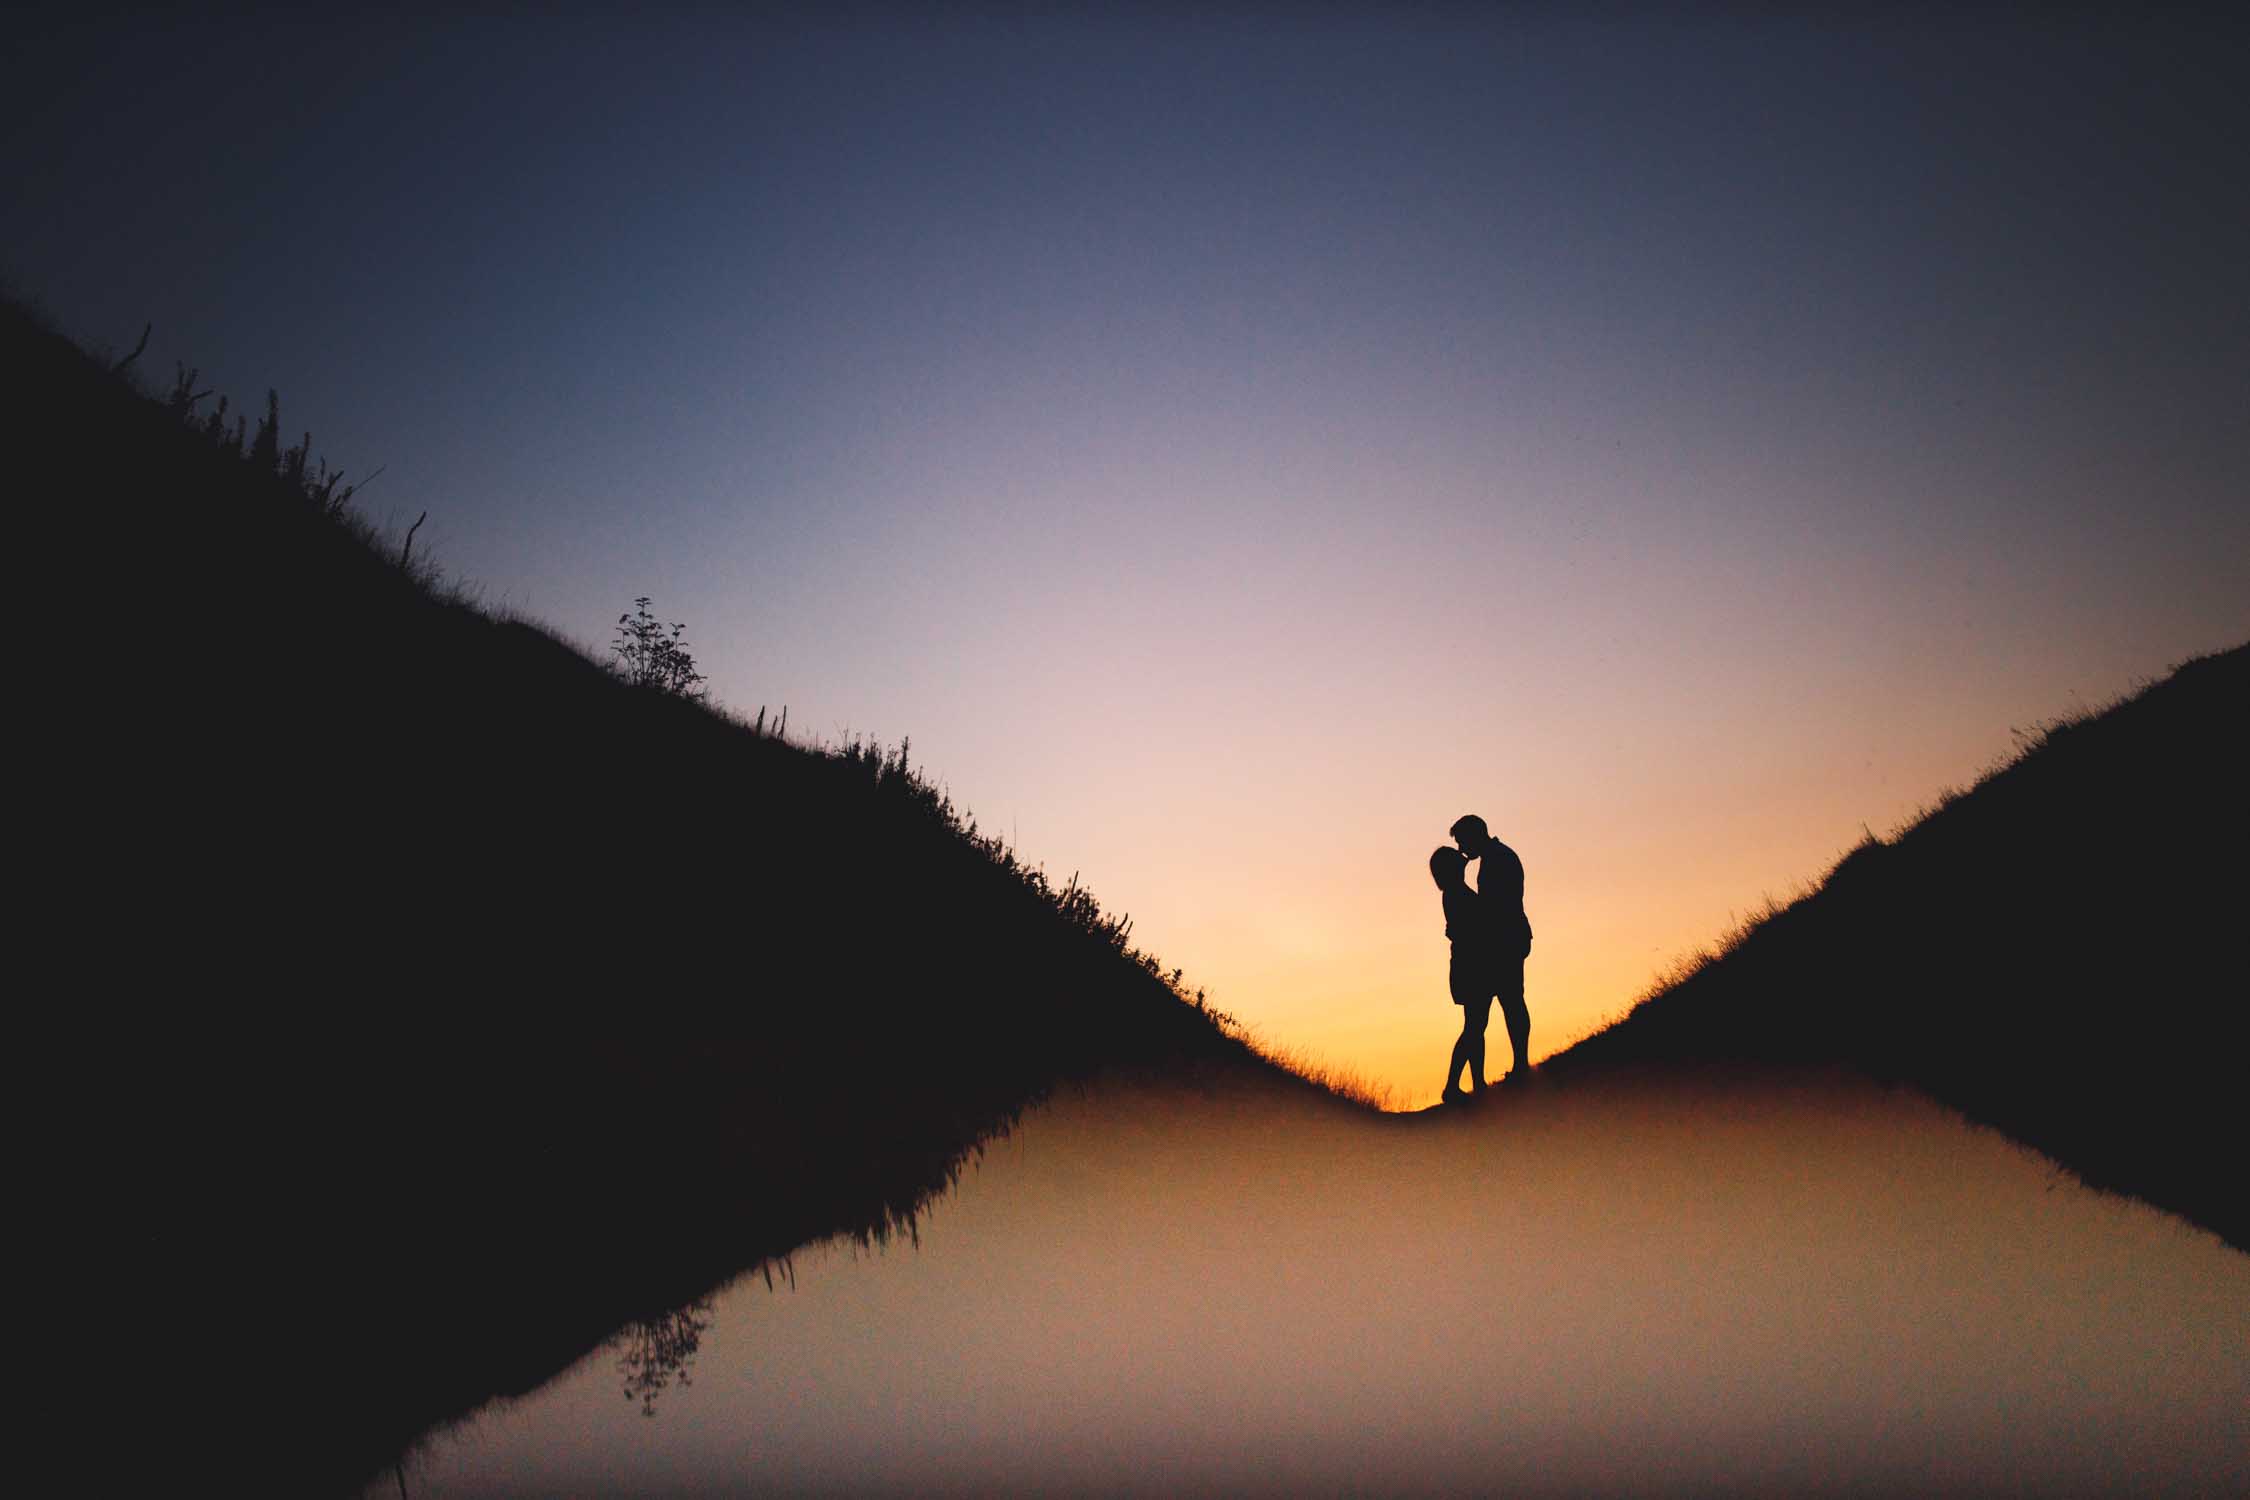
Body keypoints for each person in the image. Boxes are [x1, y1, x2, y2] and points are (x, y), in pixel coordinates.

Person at [1451, 813, 1533, 1086]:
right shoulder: (1495, 857)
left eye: (1463, 842)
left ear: (1476, 835)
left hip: (1505, 941)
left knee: (1510, 1002)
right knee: (1506, 1003)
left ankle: (1521, 1065)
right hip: (1503, 941)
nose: (1462, 849)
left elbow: (1497, 908)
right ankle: (1515, 1066)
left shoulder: (1498, 859)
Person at [1429, 847, 1493, 1102]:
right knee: (1475, 1027)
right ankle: (1453, 1085)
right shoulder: (1456, 894)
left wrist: (1464, 857)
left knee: (1476, 1026)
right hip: (1471, 967)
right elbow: (1470, 929)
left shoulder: (1453, 892)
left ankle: (1477, 1081)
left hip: (1467, 966)